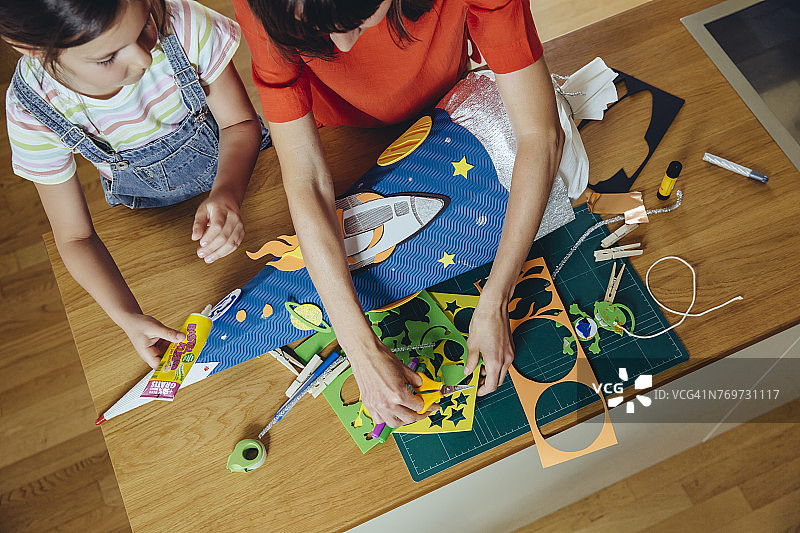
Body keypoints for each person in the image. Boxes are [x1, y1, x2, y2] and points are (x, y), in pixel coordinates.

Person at [234, 0, 564, 427]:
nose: (342, 46)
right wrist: (361, 350)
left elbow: (540, 134)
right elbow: (307, 181)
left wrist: (497, 296)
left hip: (444, 102)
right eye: (317, 31)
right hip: (341, 135)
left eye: (355, 22)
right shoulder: (270, 4)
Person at [2, 0, 269, 368]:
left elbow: (238, 124)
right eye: (108, 57)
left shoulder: (182, 23)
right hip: (151, 218)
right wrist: (126, 315)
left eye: (145, 23)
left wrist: (227, 191)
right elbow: (75, 237)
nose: (143, 58)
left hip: (246, 174)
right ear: (32, 49)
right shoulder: (32, 110)